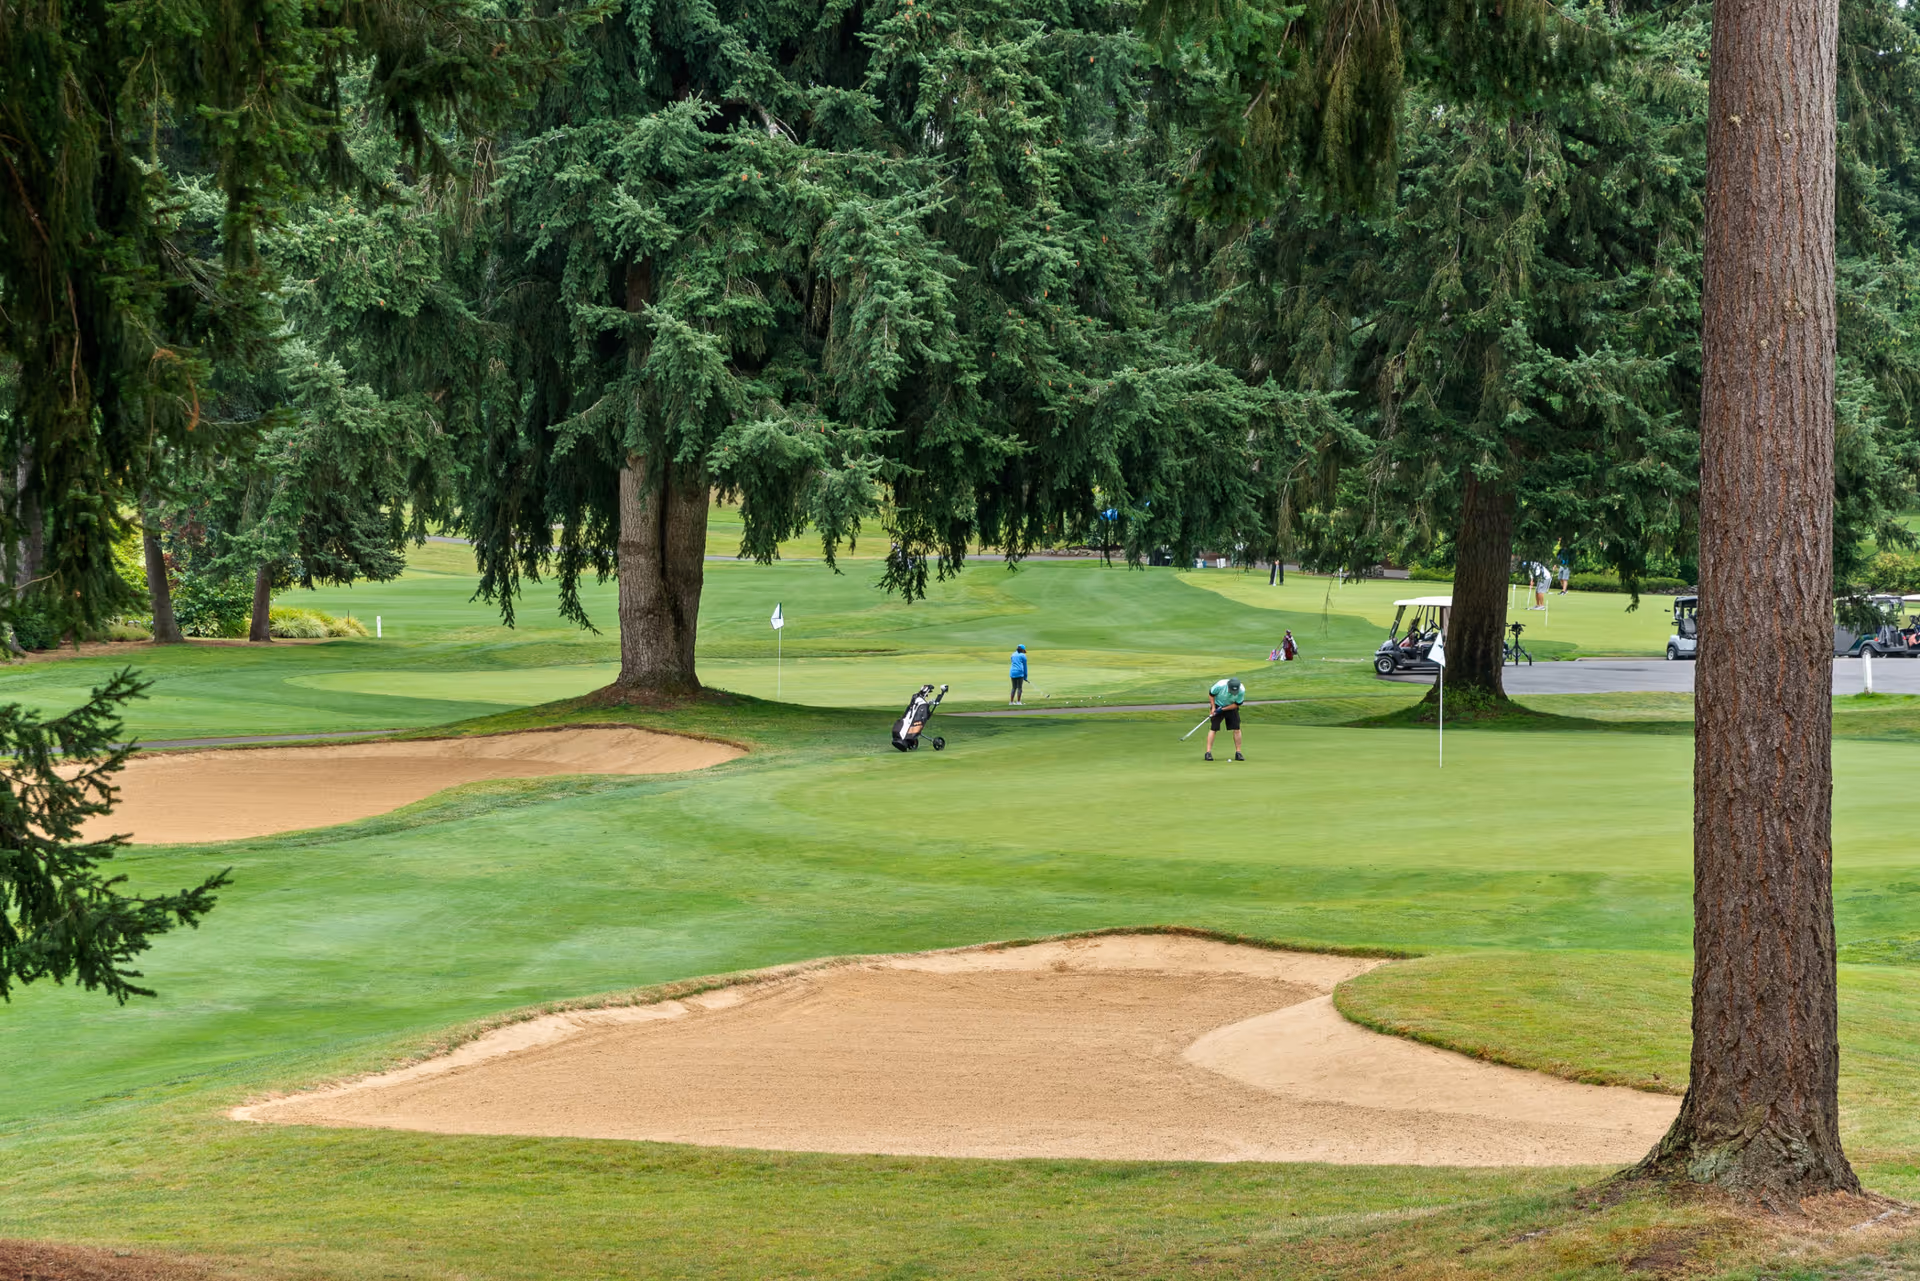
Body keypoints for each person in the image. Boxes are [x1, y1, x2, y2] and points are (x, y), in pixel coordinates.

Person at [1205, 676, 1246, 761]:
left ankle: (1238, 753)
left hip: (1231, 707)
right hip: (1217, 705)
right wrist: (1213, 708)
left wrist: (1223, 709)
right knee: (1214, 728)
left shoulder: (1241, 690)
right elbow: (1211, 694)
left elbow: (1237, 704)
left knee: (1236, 728)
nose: (1233, 692)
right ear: (1228, 686)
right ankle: (1208, 753)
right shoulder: (1220, 685)